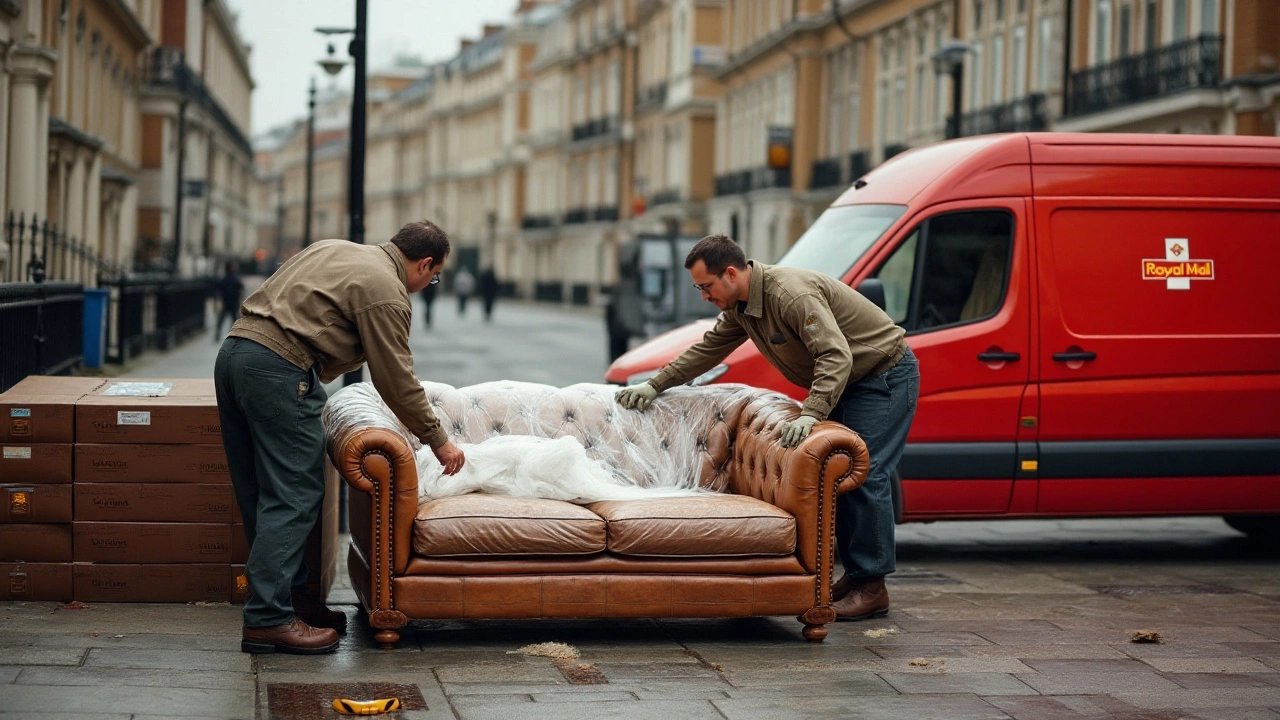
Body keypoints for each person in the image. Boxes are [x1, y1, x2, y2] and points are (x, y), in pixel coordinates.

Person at [615, 234, 919, 621]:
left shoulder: (789, 295)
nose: (704, 296)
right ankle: (859, 576)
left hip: (883, 378)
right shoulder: (742, 305)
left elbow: (834, 354)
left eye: (706, 287)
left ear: (730, 273)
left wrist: (811, 413)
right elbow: (708, 348)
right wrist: (656, 384)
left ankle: (873, 587)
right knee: (837, 476)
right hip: (849, 381)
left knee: (866, 475)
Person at [214, 220, 467, 655]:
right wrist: (438, 439)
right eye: (435, 275)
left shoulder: (335, 248)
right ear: (424, 264)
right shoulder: (387, 290)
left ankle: (288, 600)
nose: (430, 284)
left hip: (235, 354)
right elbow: (396, 379)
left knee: (263, 492)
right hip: (279, 369)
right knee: (293, 495)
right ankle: (268, 620)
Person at [213, 260, 244, 341]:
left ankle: (219, 334)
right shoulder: (236, 279)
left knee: (223, 320)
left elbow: (218, 292)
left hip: (227, 303)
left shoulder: (224, 279)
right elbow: (241, 291)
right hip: (232, 303)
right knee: (233, 321)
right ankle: (234, 336)